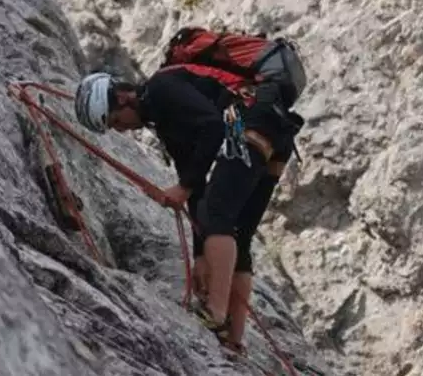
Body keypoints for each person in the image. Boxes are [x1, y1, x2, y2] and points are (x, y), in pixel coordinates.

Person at [73, 64, 300, 353]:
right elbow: (193, 184)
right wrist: (199, 254)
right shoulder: (162, 120)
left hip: (249, 123)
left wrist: (184, 187)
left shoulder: (161, 88)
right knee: (237, 234)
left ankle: (216, 315)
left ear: (122, 97)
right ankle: (234, 338)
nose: (121, 129)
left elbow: (214, 128)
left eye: (116, 120)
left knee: (218, 215)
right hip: (271, 130)